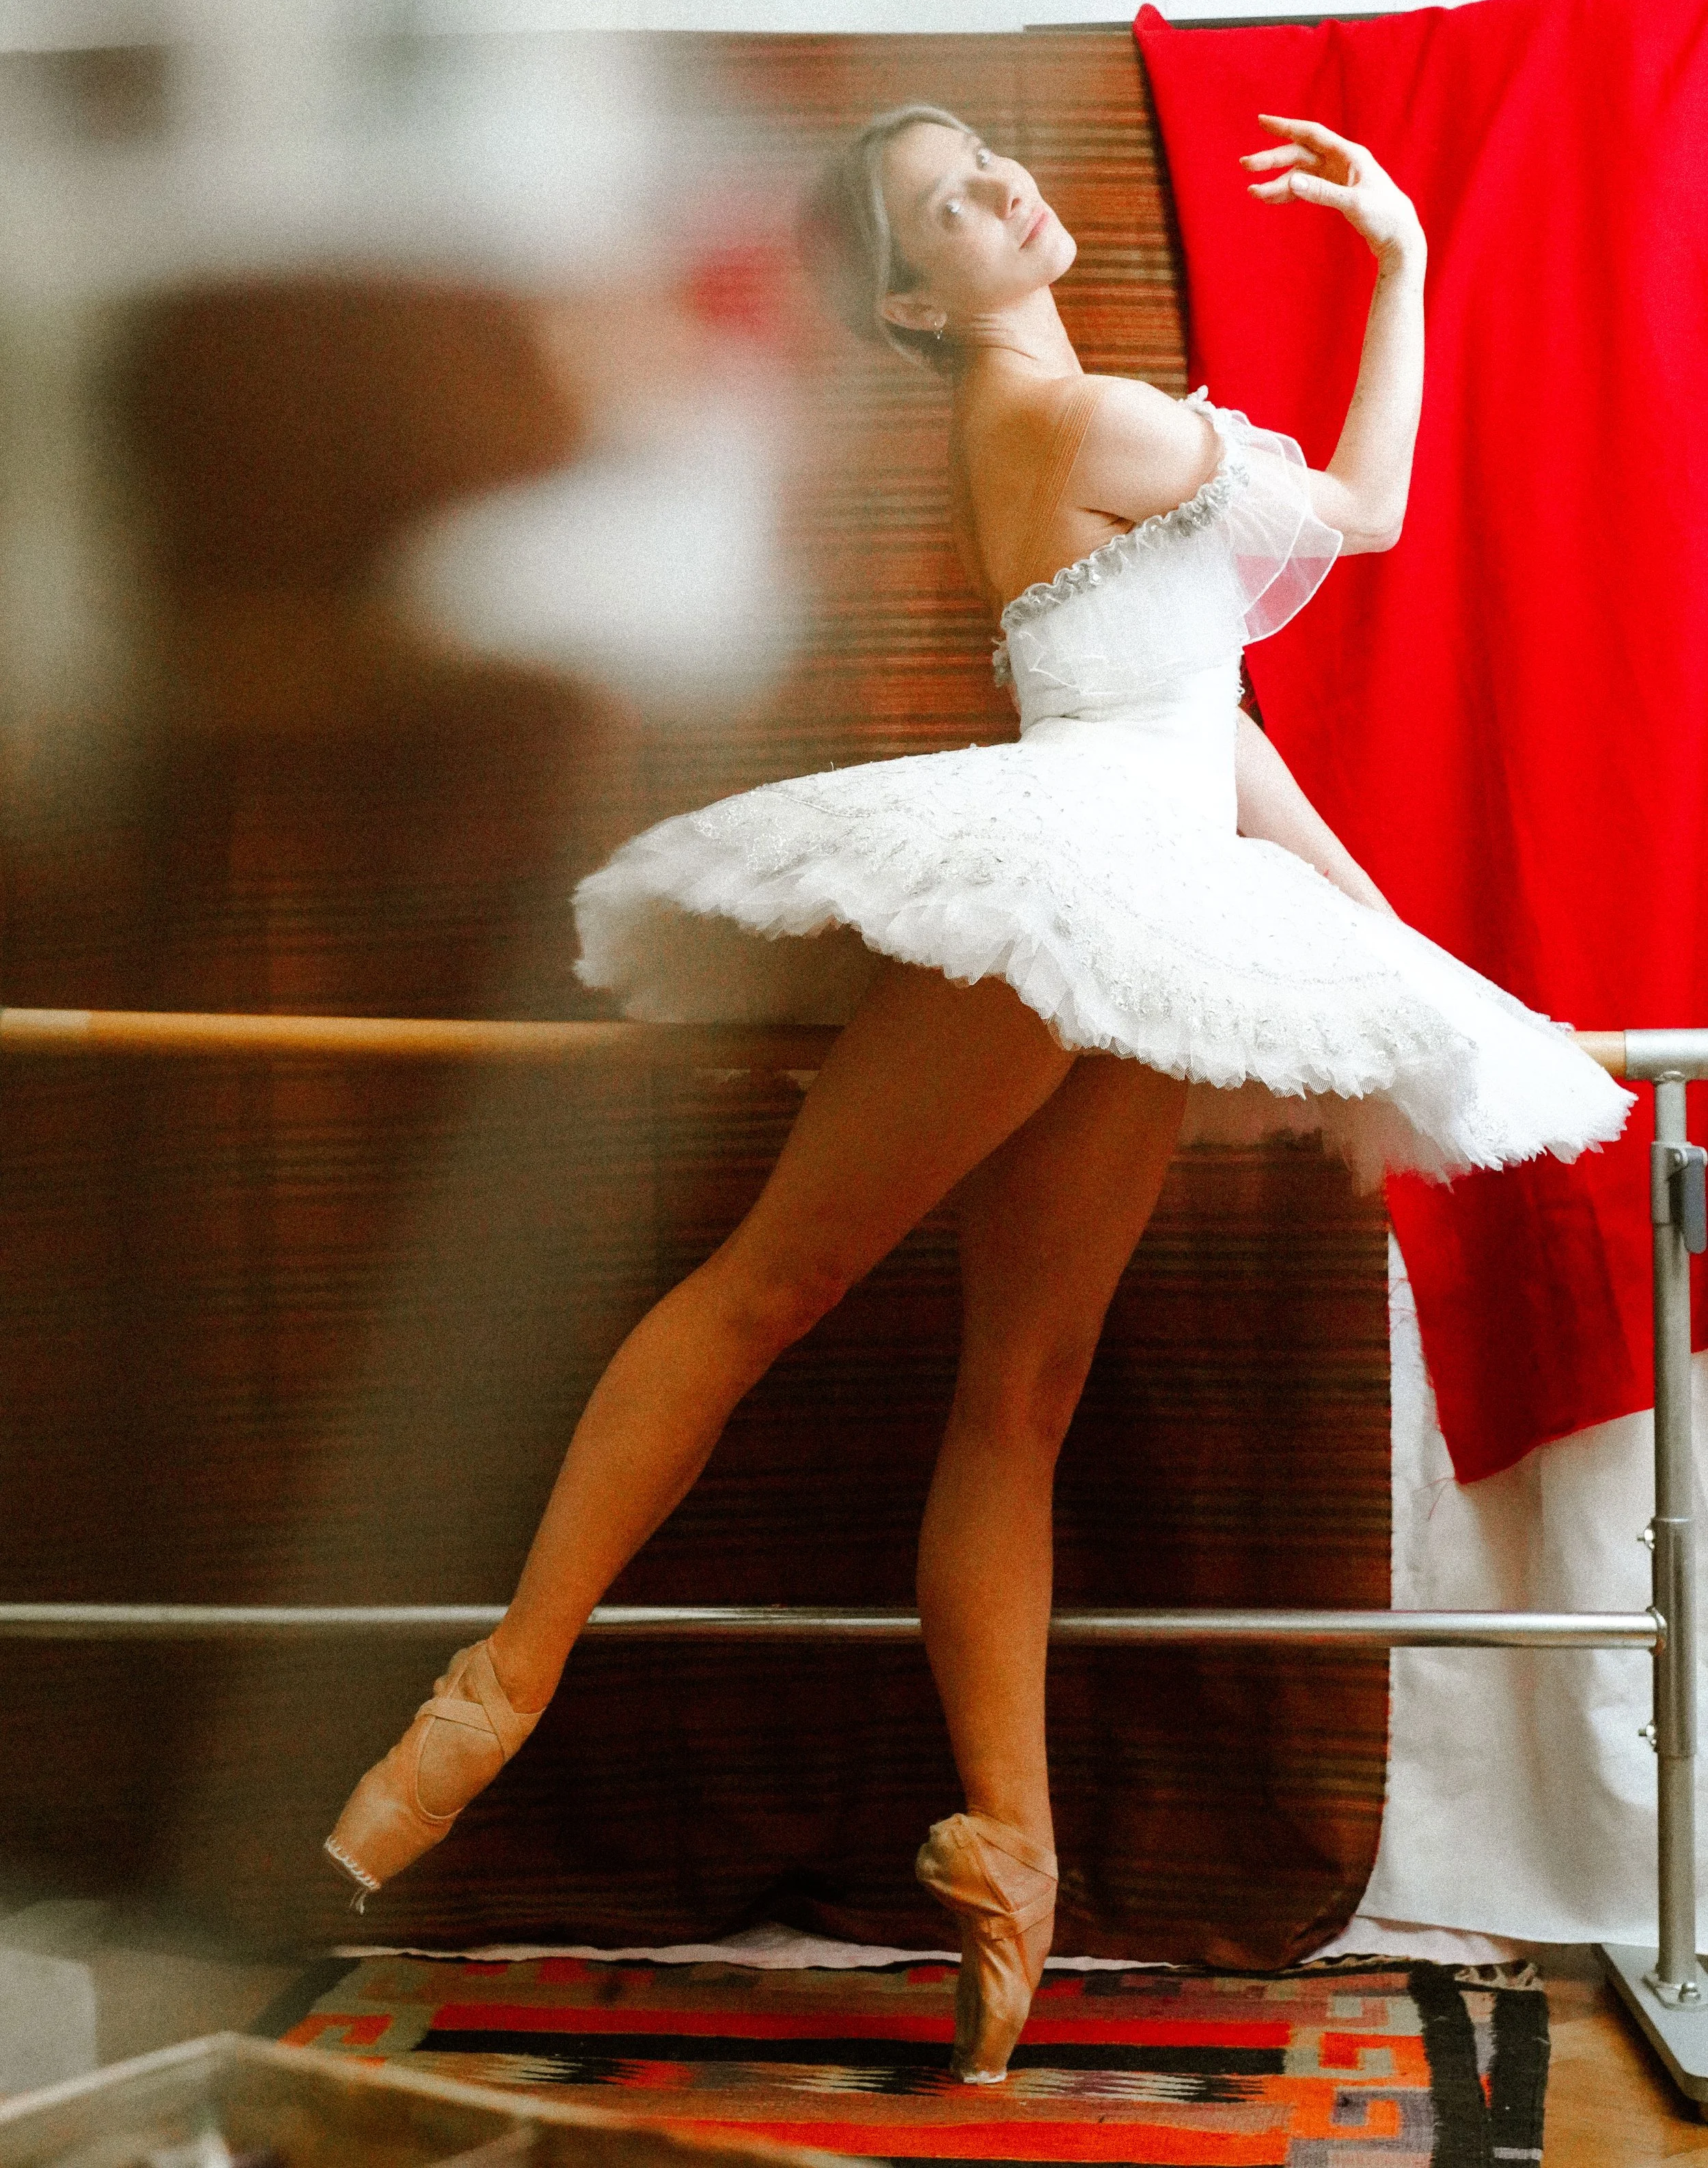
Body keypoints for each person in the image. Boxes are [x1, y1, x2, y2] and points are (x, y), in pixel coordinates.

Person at [325, 105, 1629, 2081]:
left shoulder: (1083, 432)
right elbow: (1361, 518)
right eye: (940, 206)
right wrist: (1403, 273)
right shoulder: (1071, 410)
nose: (997, 192)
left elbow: (1219, 725)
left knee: (1014, 1394)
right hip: (1061, 886)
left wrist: (1385, 948)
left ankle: (1007, 1857)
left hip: (1149, 893)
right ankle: (495, 1687)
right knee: (772, 1287)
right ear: (912, 301)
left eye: (987, 167)